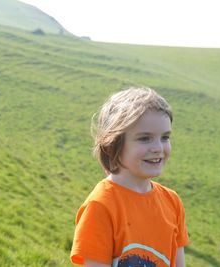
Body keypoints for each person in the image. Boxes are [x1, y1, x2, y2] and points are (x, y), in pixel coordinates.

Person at [70, 87, 189, 267]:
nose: (158, 147)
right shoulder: (100, 207)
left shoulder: (172, 202)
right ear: (112, 145)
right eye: (145, 138)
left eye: (165, 137)